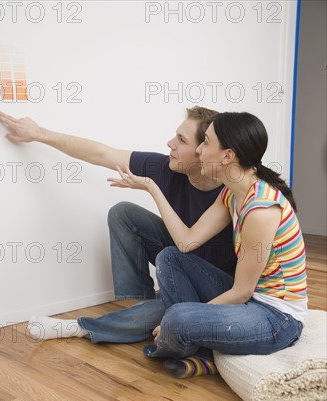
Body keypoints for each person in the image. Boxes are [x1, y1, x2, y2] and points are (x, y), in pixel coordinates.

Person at [0, 107, 236, 344]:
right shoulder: (165, 168)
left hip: (215, 285)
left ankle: (80, 327)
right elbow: (102, 154)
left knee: (168, 300)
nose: (170, 143)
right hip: (180, 259)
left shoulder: (231, 191)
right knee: (123, 213)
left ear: (203, 151)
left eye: (181, 140)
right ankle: (139, 304)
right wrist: (40, 134)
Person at [107, 112, 307, 378]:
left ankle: (195, 347)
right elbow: (186, 242)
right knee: (170, 257)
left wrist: (177, 318)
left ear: (227, 156)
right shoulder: (231, 193)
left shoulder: (261, 210)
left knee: (177, 318)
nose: (199, 150)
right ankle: (198, 344)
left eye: (206, 143)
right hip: (252, 302)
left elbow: (242, 293)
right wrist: (152, 189)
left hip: (277, 318)